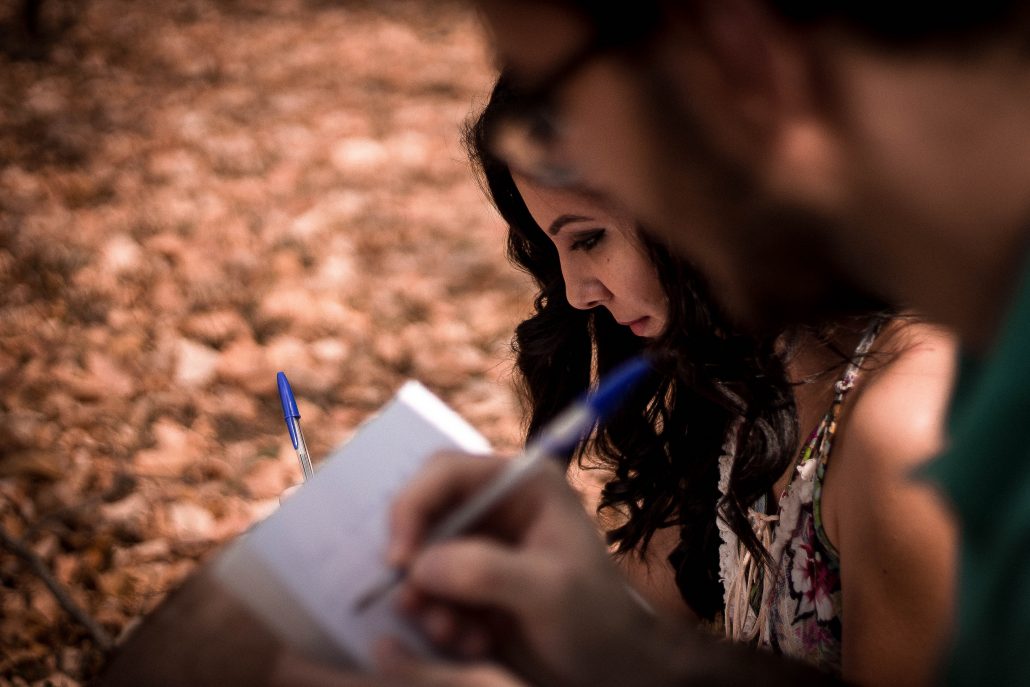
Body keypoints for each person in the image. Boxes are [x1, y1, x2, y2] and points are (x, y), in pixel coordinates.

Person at [375, 2, 1030, 685]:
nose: (575, 293)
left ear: (730, 52)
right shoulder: (757, 387)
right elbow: (631, 607)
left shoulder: (908, 432)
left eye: (590, 236)